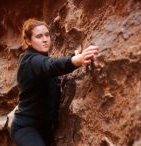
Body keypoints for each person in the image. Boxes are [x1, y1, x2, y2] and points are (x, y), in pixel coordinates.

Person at [10, 18, 99, 146]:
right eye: (39, 36)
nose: (45, 39)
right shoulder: (30, 61)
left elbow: (51, 66)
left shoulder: (41, 60)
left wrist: (71, 56)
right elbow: (50, 66)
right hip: (26, 127)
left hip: (45, 128)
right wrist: (76, 60)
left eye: (47, 35)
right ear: (28, 41)